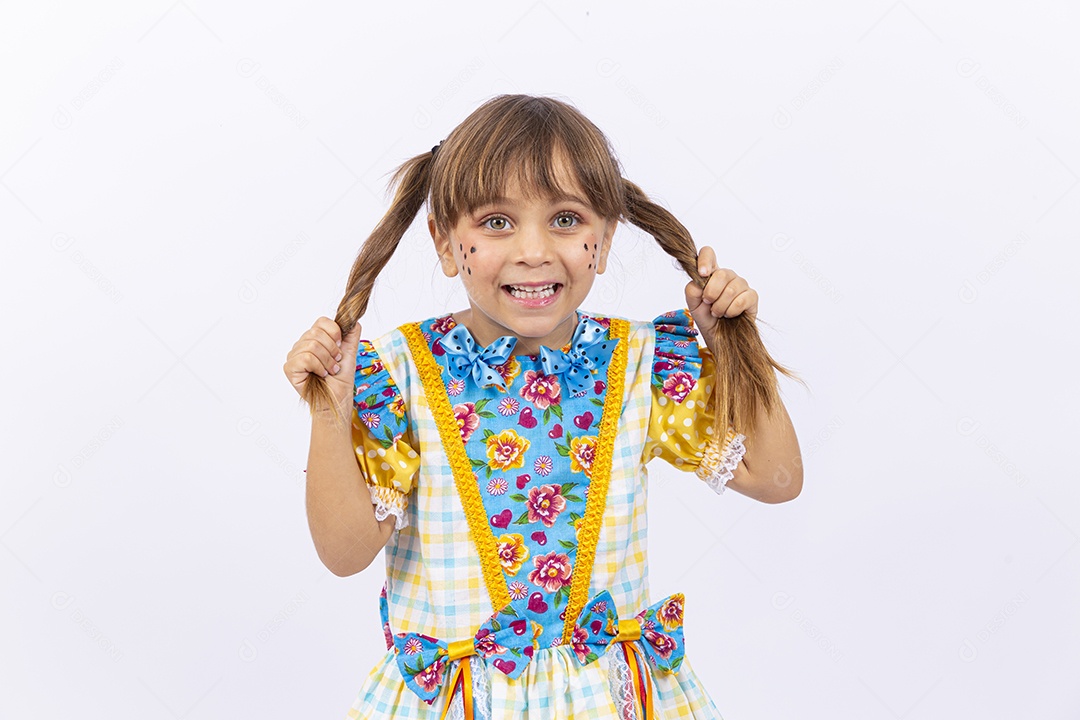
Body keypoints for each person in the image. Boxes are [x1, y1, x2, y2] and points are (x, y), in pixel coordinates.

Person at [283, 94, 804, 719]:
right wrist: (329, 411)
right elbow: (345, 554)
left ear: (605, 241)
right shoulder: (397, 375)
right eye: (497, 222)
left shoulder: (638, 364)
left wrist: (732, 345)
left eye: (564, 219)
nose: (533, 250)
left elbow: (777, 479)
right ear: (446, 245)